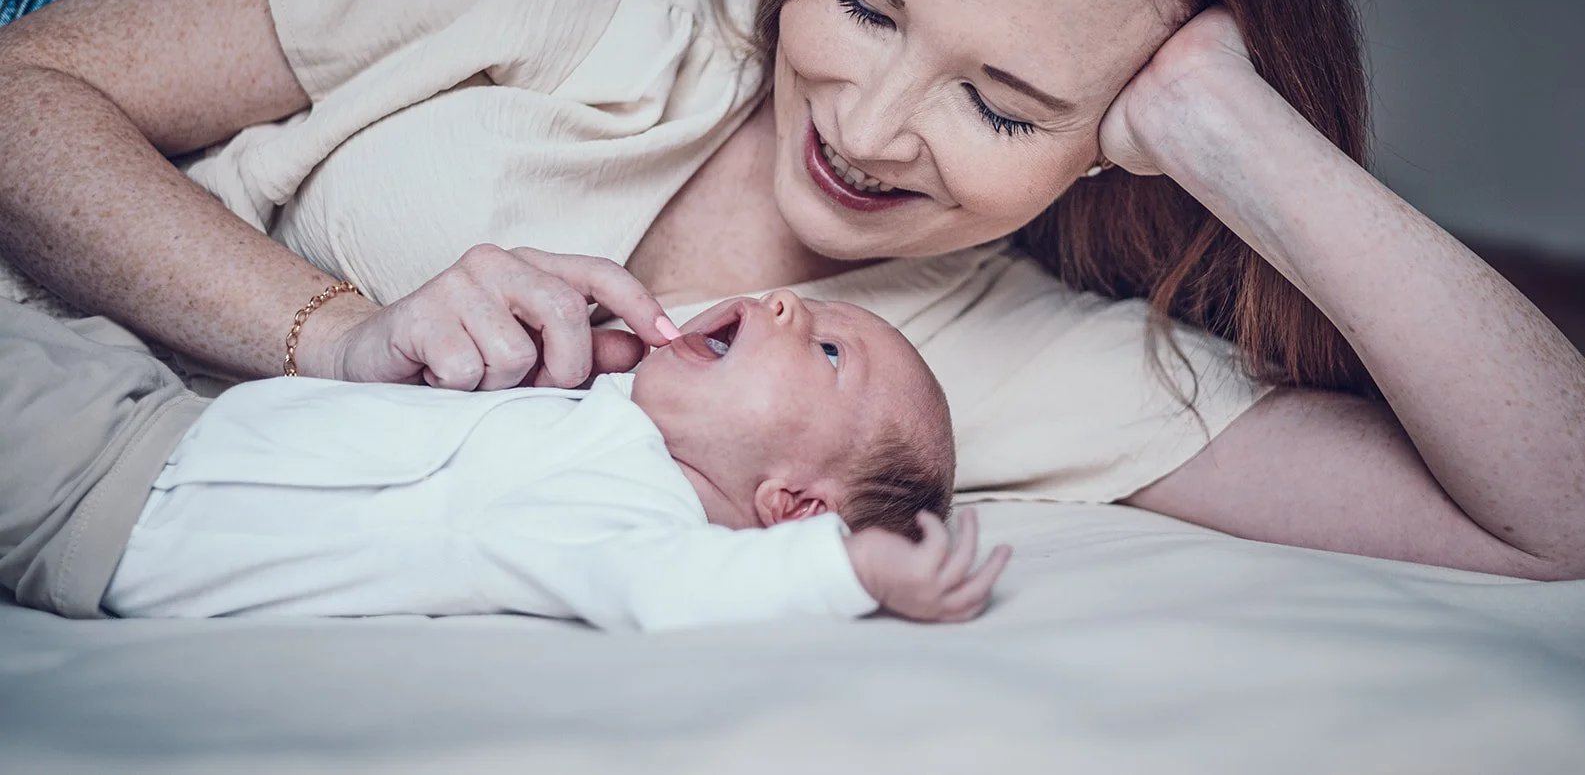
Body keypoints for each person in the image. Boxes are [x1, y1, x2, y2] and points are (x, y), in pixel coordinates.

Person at [0, 0, 1585, 589]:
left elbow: (1567, 513)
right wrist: (330, 326)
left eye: (1007, 104)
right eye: (867, 1)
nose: (871, 129)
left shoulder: (1021, 366)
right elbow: (28, 95)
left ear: (1115, 139)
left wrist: (1239, 132)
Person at [97, 290, 1007, 629]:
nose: (780, 306)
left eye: (830, 353)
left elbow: (676, 585)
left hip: (120, 504)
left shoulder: (628, 513)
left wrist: (852, 567)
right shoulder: (613, 413)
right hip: (156, 410)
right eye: (804, 305)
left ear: (796, 508)